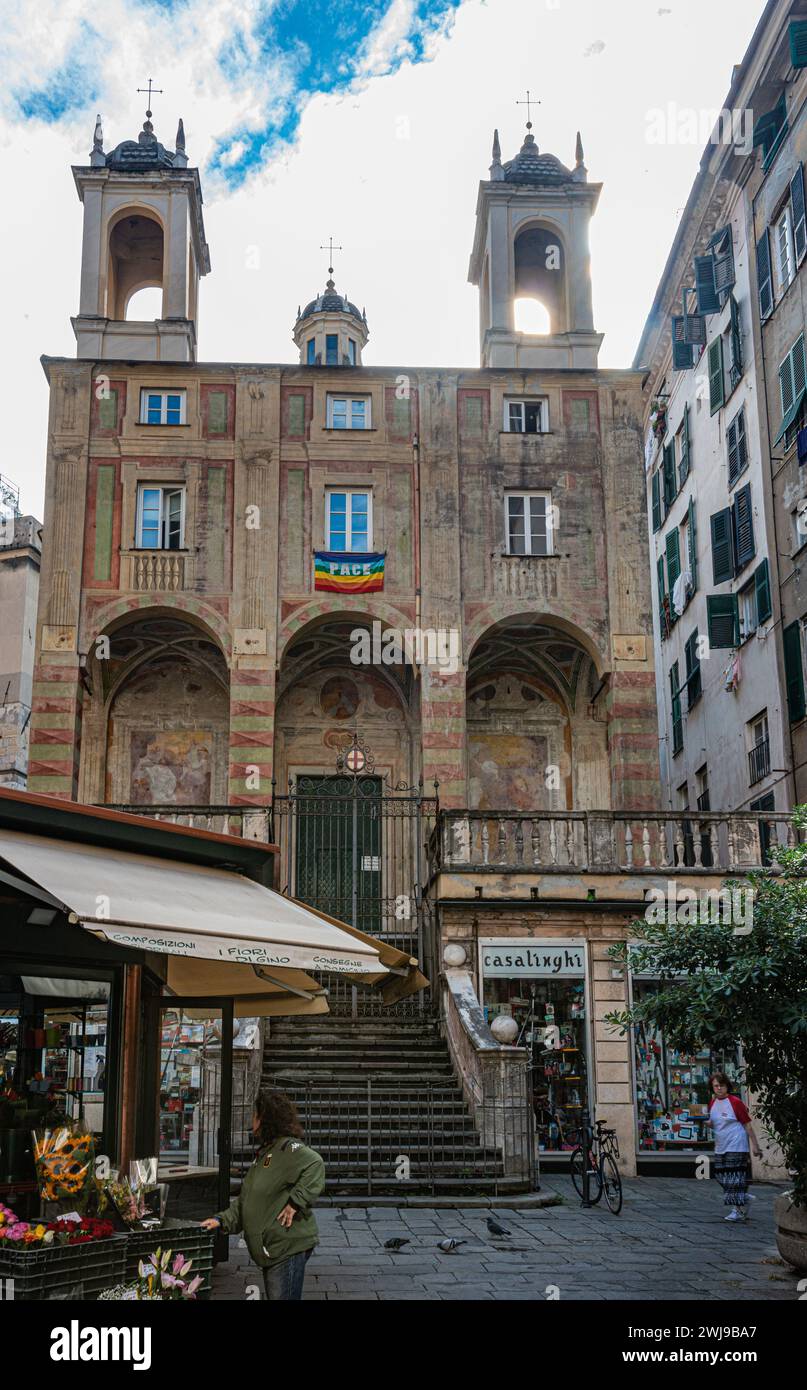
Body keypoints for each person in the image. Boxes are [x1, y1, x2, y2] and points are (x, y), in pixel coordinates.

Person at [201, 1090, 325, 1300]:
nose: (252, 1119)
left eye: (254, 1114)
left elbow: (315, 1164)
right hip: (272, 1247)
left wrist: (295, 1202)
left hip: (286, 1245)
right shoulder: (266, 1153)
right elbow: (248, 1200)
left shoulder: (288, 1148)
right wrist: (221, 1220)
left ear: (265, 1118)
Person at [708, 1072, 762, 1221]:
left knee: (734, 1178)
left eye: (722, 1085)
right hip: (721, 1145)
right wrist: (710, 1124)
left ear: (727, 1086)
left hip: (736, 1144)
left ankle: (737, 1210)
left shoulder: (735, 1102)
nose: (719, 1088)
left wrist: (755, 1146)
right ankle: (744, 1197)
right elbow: (716, 1122)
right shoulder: (712, 1102)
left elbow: (747, 1125)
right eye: (716, 1086)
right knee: (720, 1175)